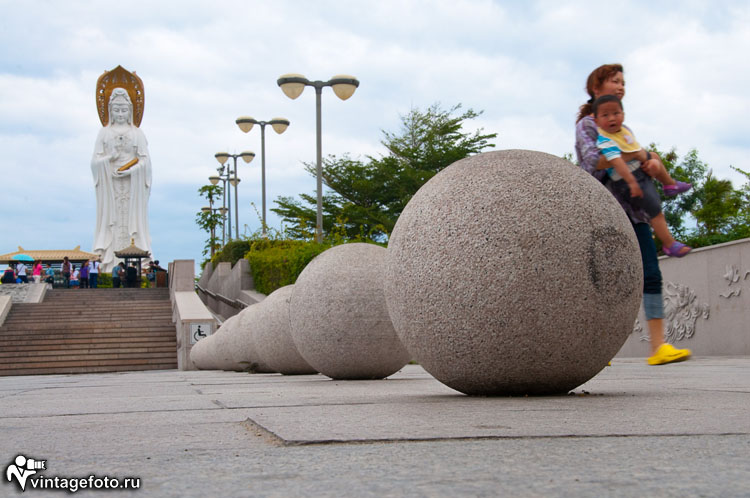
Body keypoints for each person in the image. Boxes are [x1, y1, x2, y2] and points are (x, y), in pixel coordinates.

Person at [575, 63, 691, 366]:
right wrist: (637, 155)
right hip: (605, 211)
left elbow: (638, 157)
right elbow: (593, 161)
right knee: (602, 278)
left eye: (623, 82)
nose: (621, 86)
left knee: (650, 273)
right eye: (615, 81)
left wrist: (649, 161)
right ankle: (595, 348)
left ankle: (659, 346)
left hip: (635, 211)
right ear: (596, 88)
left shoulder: (622, 128)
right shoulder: (588, 124)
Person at [592, 95, 692, 257]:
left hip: (638, 173)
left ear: (623, 114)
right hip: (627, 180)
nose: (612, 118)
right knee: (655, 212)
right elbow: (618, 164)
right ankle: (669, 244)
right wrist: (632, 183)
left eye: (616, 113)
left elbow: (637, 151)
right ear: (596, 121)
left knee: (654, 159)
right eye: (605, 115)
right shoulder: (605, 140)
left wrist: (649, 163)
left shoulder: (623, 132)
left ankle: (669, 184)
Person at [91, 87, 152, 272]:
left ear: (130, 110)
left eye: (123, 110)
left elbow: (145, 162)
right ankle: (109, 264)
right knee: (112, 222)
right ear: (110, 110)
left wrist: (132, 171)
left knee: (132, 222)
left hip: (132, 184)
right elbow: (94, 162)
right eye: (116, 110)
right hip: (111, 186)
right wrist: (110, 158)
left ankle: (138, 262)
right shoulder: (104, 133)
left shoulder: (137, 133)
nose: (120, 114)